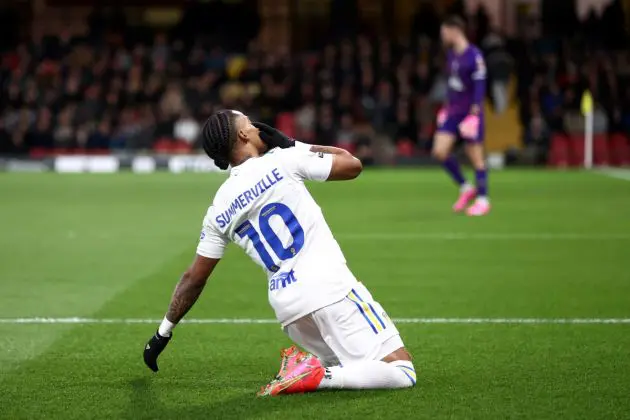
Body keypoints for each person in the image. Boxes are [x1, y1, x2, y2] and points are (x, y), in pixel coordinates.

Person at [142, 110, 416, 395]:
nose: (259, 127)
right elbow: (353, 165)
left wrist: (162, 333)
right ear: (243, 134)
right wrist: (292, 144)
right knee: (401, 371)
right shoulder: (283, 160)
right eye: (250, 122)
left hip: (289, 310)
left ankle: (317, 372)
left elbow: (193, 279)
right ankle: (315, 375)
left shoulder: (218, 208)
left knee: (349, 367)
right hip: (330, 289)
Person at [432, 16, 490, 216]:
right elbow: (453, 85)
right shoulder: (451, 55)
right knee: (439, 151)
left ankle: (483, 199)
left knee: (476, 157)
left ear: (455, 30)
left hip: (469, 113)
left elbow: (480, 85)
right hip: (453, 111)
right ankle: (466, 187)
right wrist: (446, 108)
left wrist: (475, 113)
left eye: (444, 32)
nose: (443, 36)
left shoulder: (474, 55)